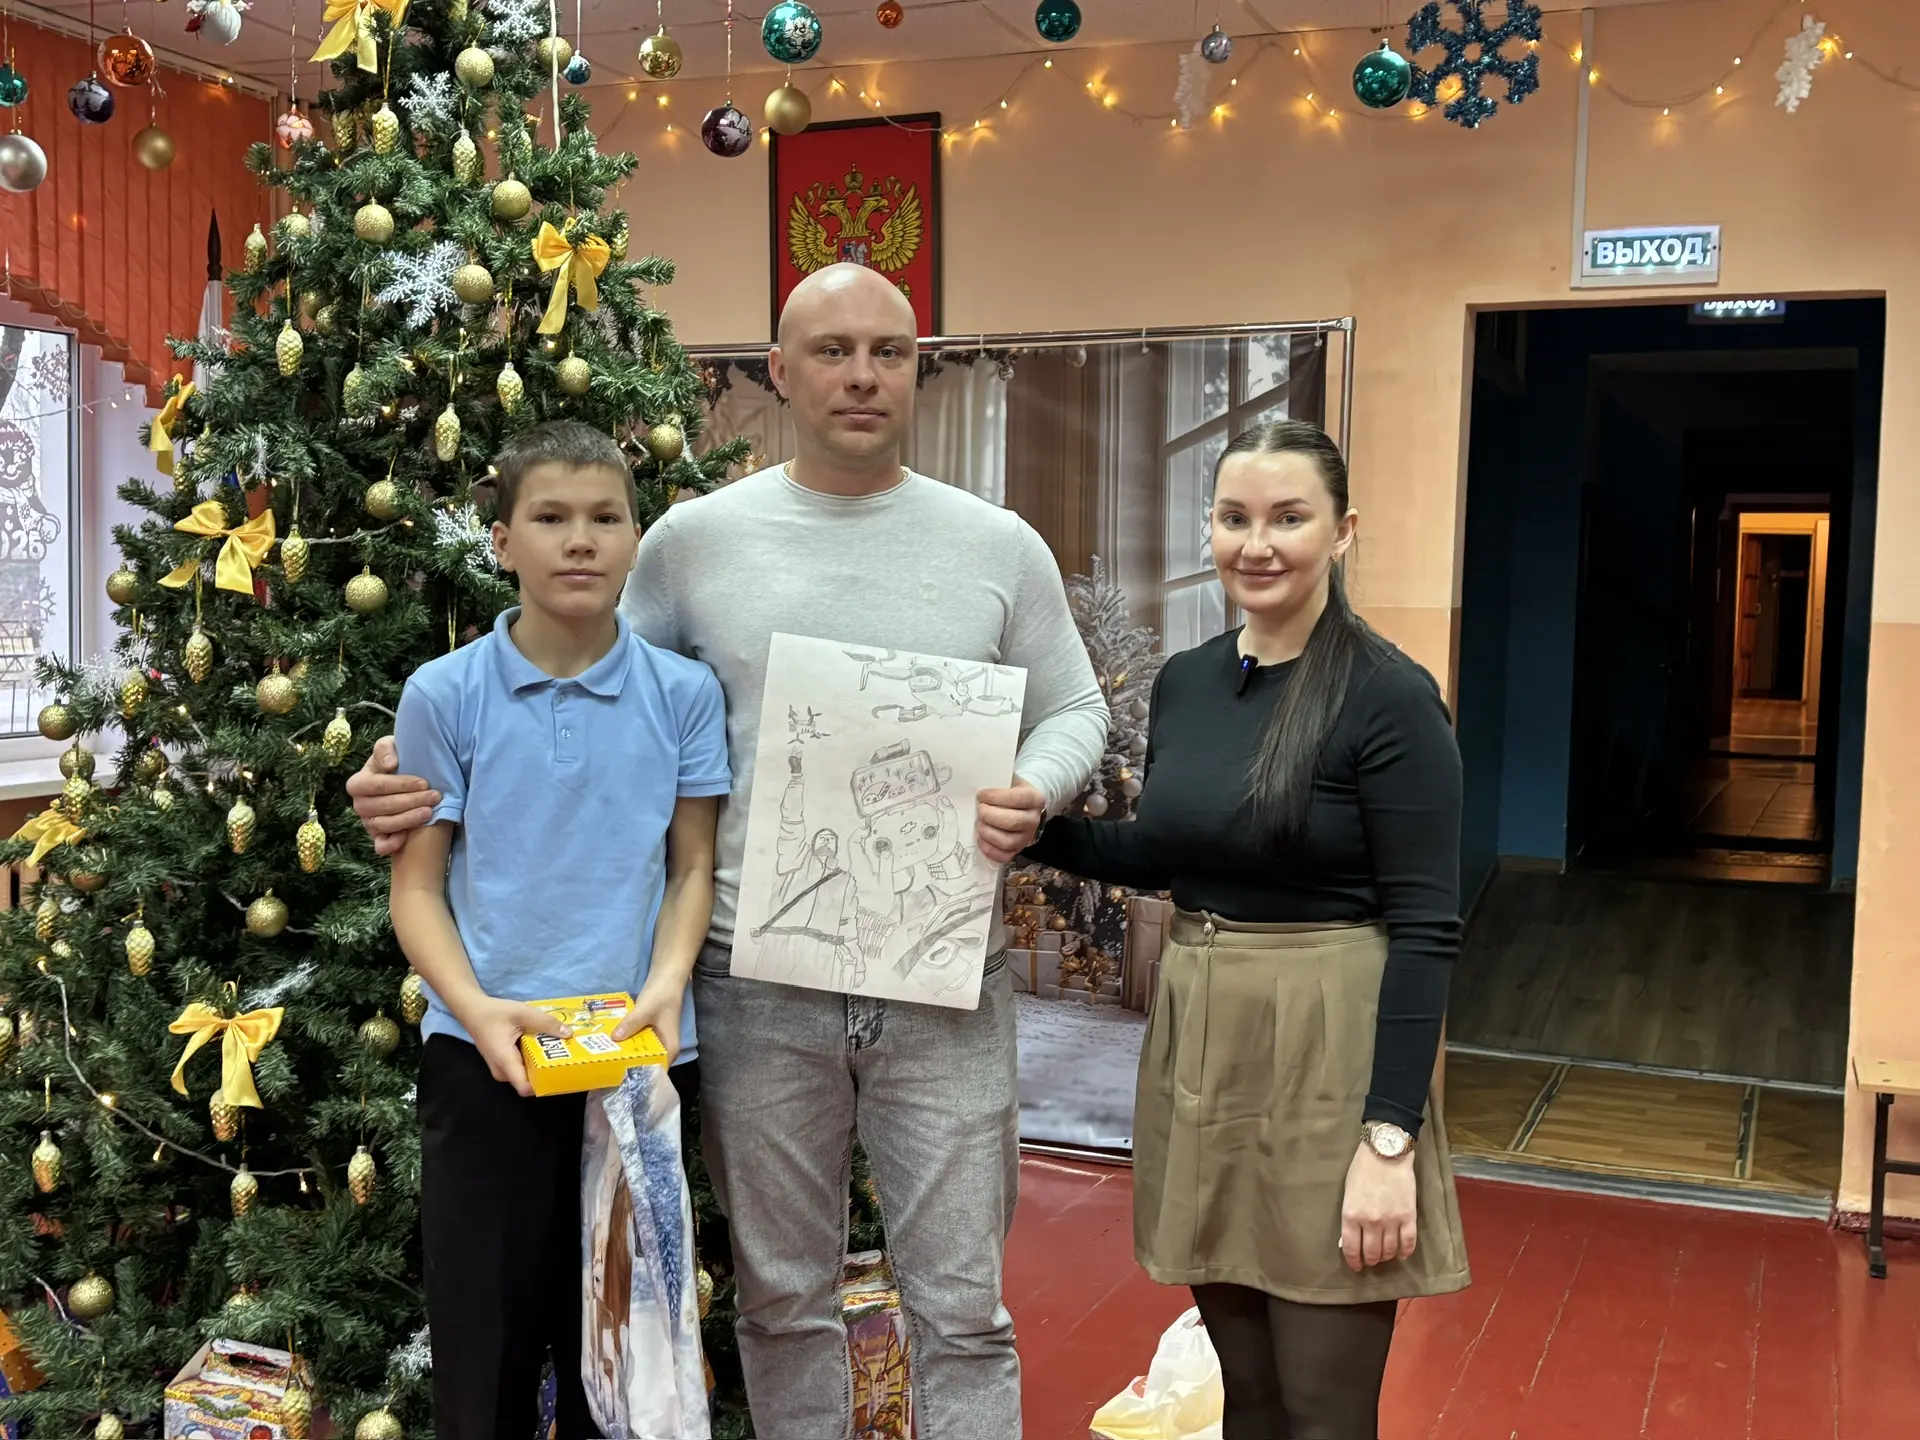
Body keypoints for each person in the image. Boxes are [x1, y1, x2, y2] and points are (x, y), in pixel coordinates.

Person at [353, 263, 1109, 1439]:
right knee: (781, 1300)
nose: (862, 375)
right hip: (758, 986)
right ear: (780, 371)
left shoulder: (996, 545)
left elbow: (1075, 708)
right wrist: (404, 779)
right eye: (832, 350)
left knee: (963, 1309)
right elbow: (582, 680)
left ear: (918, 369)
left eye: (891, 352)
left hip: (943, 978)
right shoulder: (693, 543)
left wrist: (1036, 787)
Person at [1023, 419, 1471, 1440]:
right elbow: (1170, 854)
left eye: (1288, 518)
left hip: (1329, 1047)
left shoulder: (1388, 697)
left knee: (1322, 1409)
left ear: (1342, 532)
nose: (1256, 544)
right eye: (1234, 518)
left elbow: (1426, 930)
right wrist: (1037, 833)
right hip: (1205, 1038)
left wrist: (1388, 1142)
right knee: (1251, 1398)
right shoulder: (1189, 681)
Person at [386, 421, 730, 1439]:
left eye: (605, 518)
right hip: (483, 1062)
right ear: (502, 542)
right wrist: (478, 1010)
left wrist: (666, 987)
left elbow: (693, 865)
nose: (580, 540)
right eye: (550, 518)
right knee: (483, 1358)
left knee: (620, 1369)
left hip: (633, 1062)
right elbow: (417, 890)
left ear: (635, 540)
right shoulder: (444, 694)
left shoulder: (684, 695)